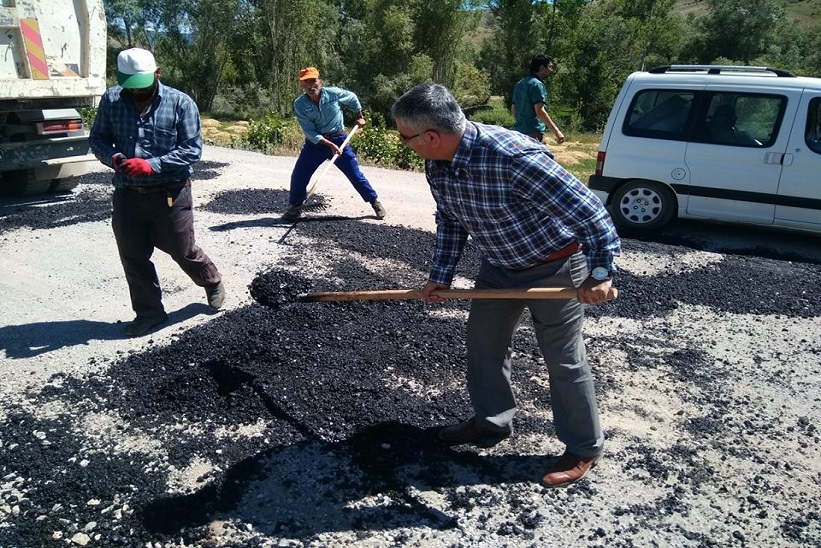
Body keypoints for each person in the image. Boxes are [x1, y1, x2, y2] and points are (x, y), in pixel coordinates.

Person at [391, 83, 621, 488]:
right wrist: (440, 276)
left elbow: (592, 215)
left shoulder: (513, 158)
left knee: (563, 359)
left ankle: (584, 447)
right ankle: (492, 421)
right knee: (484, 343)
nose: (404, 144)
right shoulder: (437, 162)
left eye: (404, 137)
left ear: (431, 136)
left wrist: (600, 275)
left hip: (557, 266)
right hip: (499, 265)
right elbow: (451, 219)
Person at [89, 48, 225, 338]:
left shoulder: (180, 103)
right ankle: (150, 313)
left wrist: (152, 165)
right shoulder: (111, 100)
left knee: (182, 248)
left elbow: (192, 149)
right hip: (128, 194)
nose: (138, 94)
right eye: (132, 89)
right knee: (133, 255)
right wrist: (113, 158)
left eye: (143, 88)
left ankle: (211, 280)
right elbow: (98, 138)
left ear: (157, 74)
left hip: (170, 193)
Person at [282, 67, 386, 222]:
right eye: (306, 82)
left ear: (320, 81)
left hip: (339, 140)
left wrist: (359, 115)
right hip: (315, 144)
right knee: (299, 176)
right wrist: (327, 144)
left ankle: (374, 202)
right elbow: (309, 130)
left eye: (313, 81)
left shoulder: (333, 94)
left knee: (355, 174)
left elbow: (352, 97)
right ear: (302, 86)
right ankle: (295, 208)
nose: (311, 85)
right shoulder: (300, 104)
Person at [511, 55, 565, 145]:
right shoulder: (537, 84)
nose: (551, 70)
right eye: (550, 67)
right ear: (542, 68)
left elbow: (513, 109)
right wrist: (557, 131)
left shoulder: (520, 83)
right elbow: (540, 111)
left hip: (518, 131)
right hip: (533, 132)